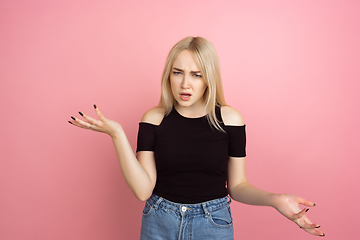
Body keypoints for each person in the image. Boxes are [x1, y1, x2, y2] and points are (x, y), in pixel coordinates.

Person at [68, 36, 324, 239]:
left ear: (208, 79)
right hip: (159, 222)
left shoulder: (230, 119)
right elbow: (143, 189)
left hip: (212, 224)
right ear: (168, 75)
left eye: (196, 74)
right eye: (177, 72)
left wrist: (276, 200)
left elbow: (237, 187)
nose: (185, 84)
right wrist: (117, 135)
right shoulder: (153, 119)